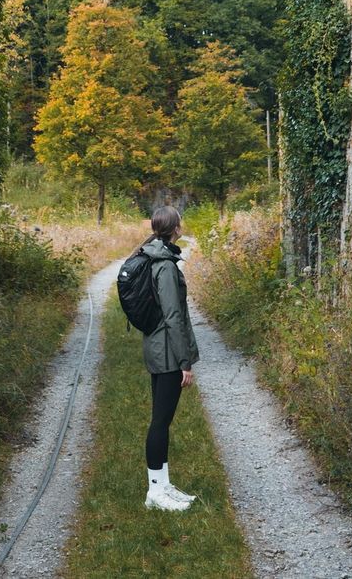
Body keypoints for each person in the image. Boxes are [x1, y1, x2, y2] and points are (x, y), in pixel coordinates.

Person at [138, 204, 200, 511]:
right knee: (160, 422)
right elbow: (174, 316)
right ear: (174, 228)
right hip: (166, 354)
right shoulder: (164, 265)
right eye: (180, 221)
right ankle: (155, 493)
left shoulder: (159, 257)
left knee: (163, 420)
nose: (182, 224)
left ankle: (163, 485)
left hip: (161, 348)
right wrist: (184, 361)